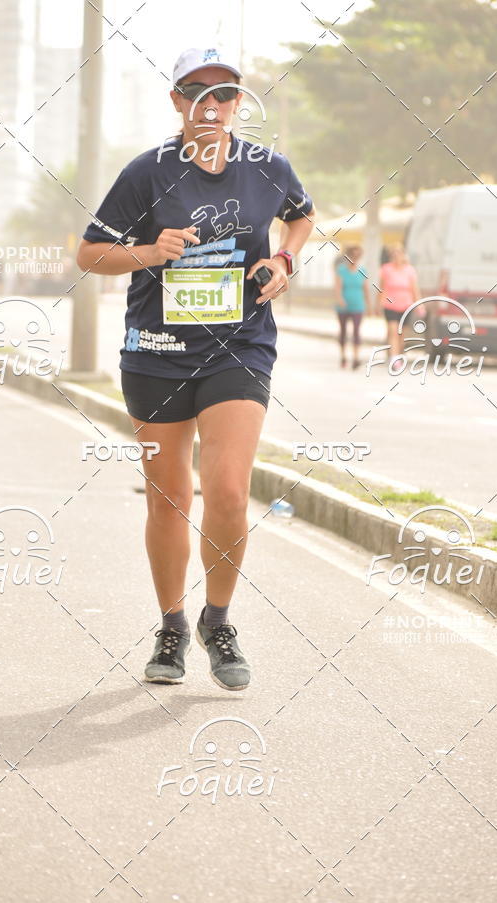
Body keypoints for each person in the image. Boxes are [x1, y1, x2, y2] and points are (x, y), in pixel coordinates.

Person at [76, 47, 316, 691]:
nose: (212, 104)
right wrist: (148, 250)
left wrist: (284, 261)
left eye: (225, 93)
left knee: (230, 491)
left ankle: (218, 619)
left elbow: (300, 217)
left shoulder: (267, 167)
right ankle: (173, 625)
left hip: (239, 346)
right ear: (177, 100)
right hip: (156, 351)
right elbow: (89, 255)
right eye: (197, 92)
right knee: (169, 498)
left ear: (240, 102)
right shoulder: (146, 171)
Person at [377, 242, 421, 372]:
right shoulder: (386, 269)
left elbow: (415, 289)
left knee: (401, 335)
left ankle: (399, 354)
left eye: (399, 254)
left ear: (403, 255)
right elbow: (381, 288)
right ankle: (394, 359)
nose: (396, 256)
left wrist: (419, 305)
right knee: (393, 331)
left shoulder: (410, 270)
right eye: (394, 254)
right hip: (390, 304)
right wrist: (378, 304)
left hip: (406, 305)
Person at [334, 244, 370, 369]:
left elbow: (366, 289)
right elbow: (337, 287)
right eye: (353, 255)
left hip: (358, 305)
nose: (355, 258)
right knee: (343, 331)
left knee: (356, 331)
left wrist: (369, 305)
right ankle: (343, 356)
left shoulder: (362, 271)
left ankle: (356, 357)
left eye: (357, 256)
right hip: (343, 306)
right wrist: (340, 299)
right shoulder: (341, 270)